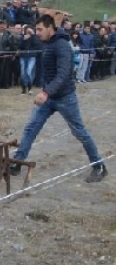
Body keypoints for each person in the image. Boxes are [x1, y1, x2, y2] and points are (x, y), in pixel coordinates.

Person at [9, 14, 107, 183]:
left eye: (40, 29)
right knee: (31, 128)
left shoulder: (62, 45)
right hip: (48, 97)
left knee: (80, 132)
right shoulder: (47, 43)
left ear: (50, 27)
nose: (37, 33)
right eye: (36, 29)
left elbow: (63, 74)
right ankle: (17, 163)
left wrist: (46, 92)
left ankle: (99, 166)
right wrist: (45, 90)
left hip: (65, 97)